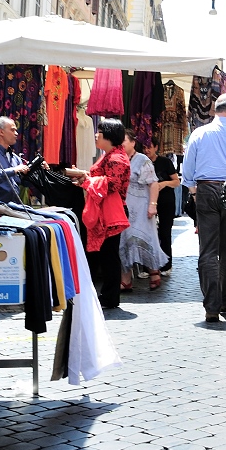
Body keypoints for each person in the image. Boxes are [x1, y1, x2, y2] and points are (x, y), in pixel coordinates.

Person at [183, 94, 226, 323]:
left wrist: (195, 192)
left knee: (207, 249)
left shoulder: (199, 133)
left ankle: (211, 306)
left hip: (206, 190)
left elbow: (188, 170)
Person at [65, 119, 130, 310]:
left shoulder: (116, 158)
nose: (96, 134)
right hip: (104, 209)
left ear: (108, 134)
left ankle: (110, 297)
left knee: (109, 255)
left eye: (99, 131)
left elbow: (112, 184)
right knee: (104, 254)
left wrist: (86, 180)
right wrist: (86, 178)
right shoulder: (109, 155)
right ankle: (104, 295)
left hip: (110, 211)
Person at [118, 129, 169, 292]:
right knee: (124, 239)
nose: (121, 144)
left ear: (133, 142)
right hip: (123, 207)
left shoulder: (142, 160)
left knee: (145, 237)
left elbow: (153, 183)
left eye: (124, 141)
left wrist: (152, 204)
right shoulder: (116, 158)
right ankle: (126, 279)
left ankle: (154, 271)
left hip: (141, 206)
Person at [0, 117, 43, 205]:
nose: (16, 133)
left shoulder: (15, 158)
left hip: (14, 208)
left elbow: (24, 182)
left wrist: (39, 170)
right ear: (1, 132)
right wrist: (13, 170)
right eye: (12, 130)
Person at [143, 139, 181, 275]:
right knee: (146, 233)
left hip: (166, 202)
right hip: (146, 202)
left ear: (156, 147)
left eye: (149, 147)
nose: (147, 150)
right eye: (144, 147)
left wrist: (163, 184)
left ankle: (166, 265)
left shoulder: (165, 162)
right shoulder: (141, 162)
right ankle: (147, 267)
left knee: (164, 233)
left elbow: (176, 181)